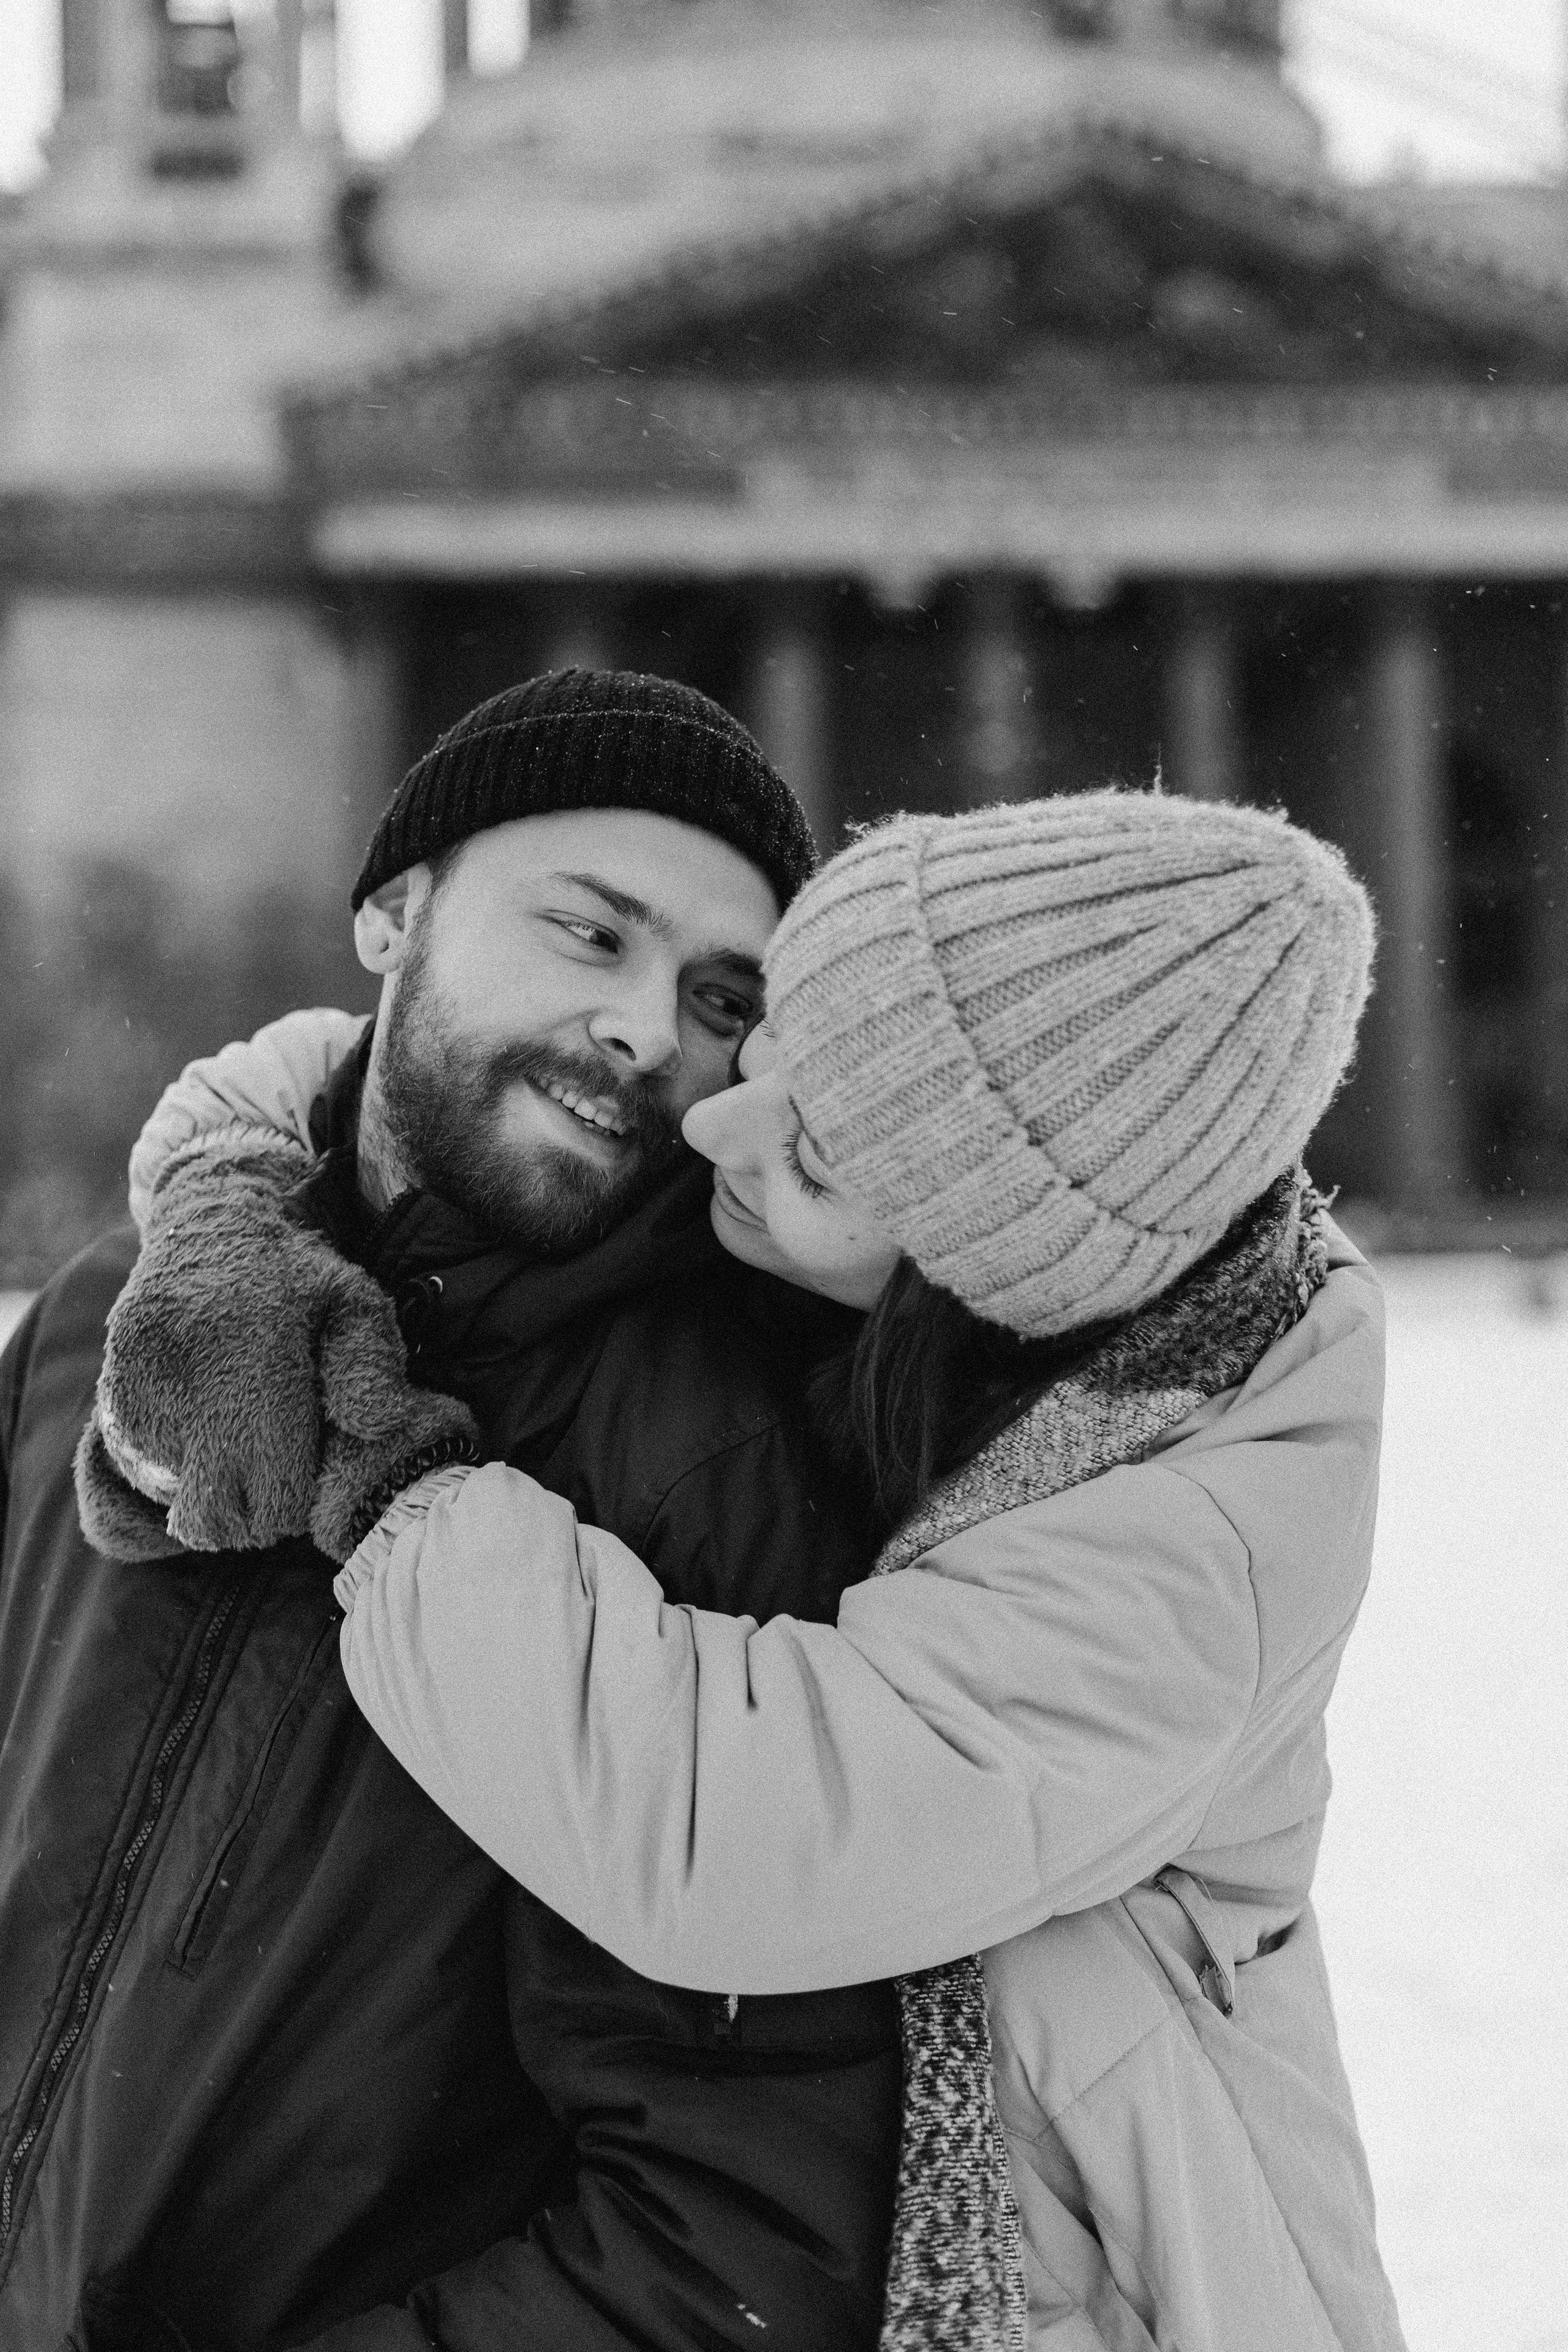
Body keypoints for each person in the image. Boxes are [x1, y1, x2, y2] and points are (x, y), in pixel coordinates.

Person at [100, 786, 1408, 2351]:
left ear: (968, 1282)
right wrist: (231, 1194)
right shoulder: (997, 1313)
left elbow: (726, 1828)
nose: (712, 1118)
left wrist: (388, 1476)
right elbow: (386, 1058)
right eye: (771, 1044)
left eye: (820, 1156)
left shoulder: (1187, 1560)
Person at [0, 670, 907, 2352]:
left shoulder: (705, 1483)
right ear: (392, 911)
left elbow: (739, 2244)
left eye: (722, 997)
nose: (653, 1029)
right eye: (590, 932)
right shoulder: (98, 1321)